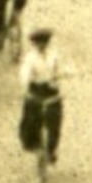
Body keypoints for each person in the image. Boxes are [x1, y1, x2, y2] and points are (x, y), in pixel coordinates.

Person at [18, 27, 62, 165]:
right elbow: (25, 73)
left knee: (54, 123)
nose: (42, 45)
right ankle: (32, 144)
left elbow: (61, 69)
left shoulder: (54, 55)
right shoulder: (30, 58)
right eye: (39, 43)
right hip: (36, 89)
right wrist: (25, 84)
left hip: (51, 90)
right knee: (30, 118)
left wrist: (62, 75)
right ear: (35, 44)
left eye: (45, 42)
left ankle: (51, 150)